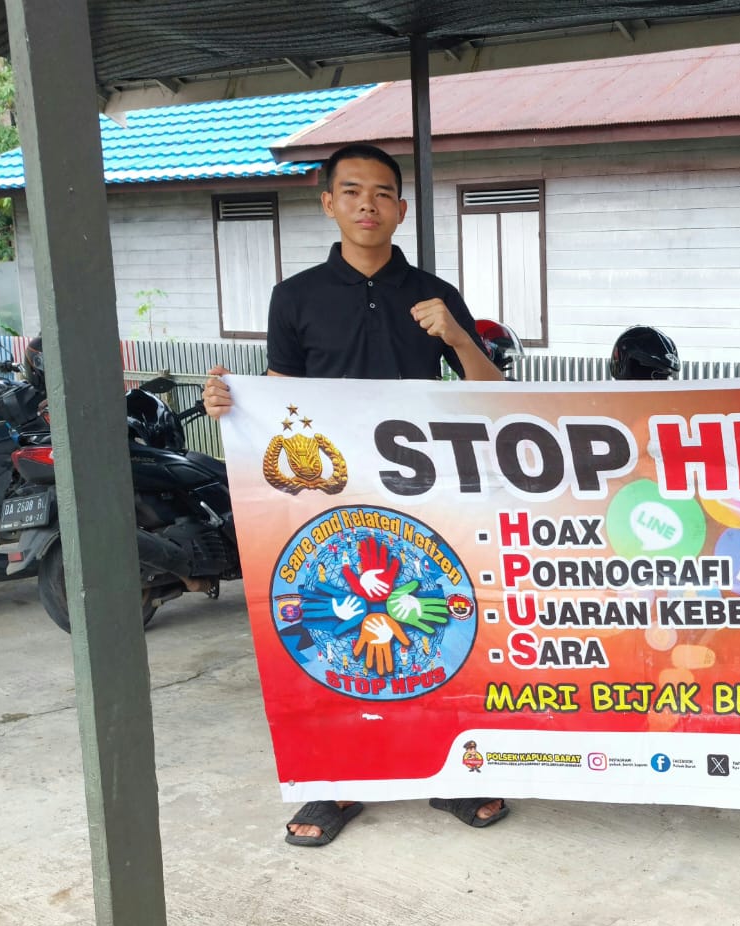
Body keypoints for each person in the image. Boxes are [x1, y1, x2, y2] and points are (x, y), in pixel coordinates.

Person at [203, 142, 510, 846]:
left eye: (382, 193)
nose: (367, 204)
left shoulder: (434, 294)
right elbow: (280, 396)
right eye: (351, 191)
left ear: (401, 209)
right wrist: (232, 403)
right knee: (334, 635)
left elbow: (493, 394)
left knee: (435, 626)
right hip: (328, 501)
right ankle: (333, 782)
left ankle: (450, 772)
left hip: (423, 495)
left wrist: (458, 337)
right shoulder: (296, 296)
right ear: (328, 204)